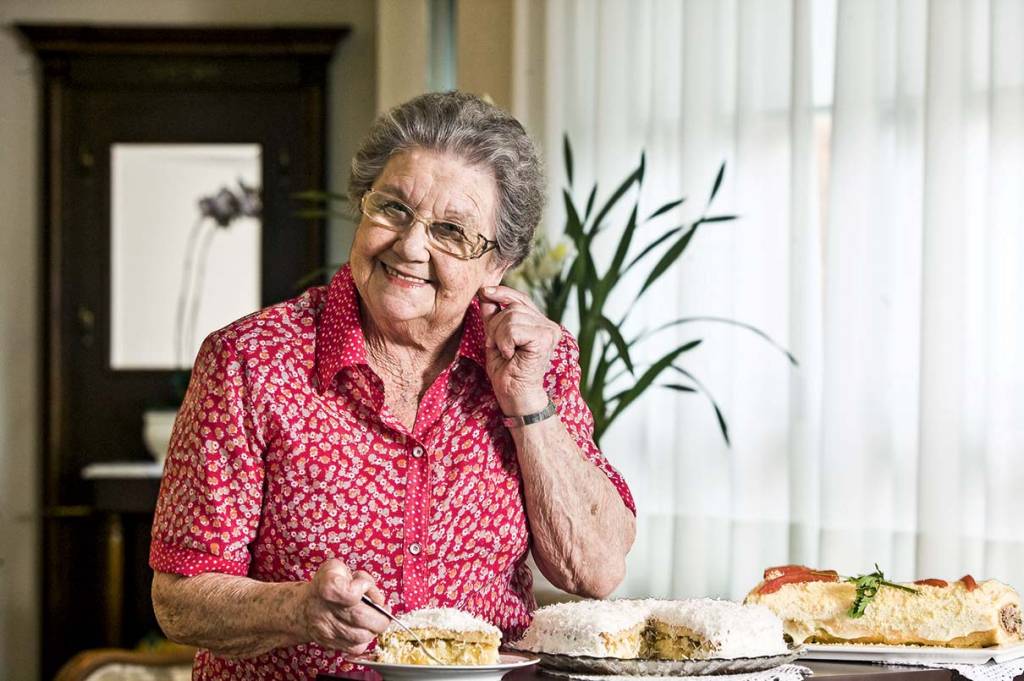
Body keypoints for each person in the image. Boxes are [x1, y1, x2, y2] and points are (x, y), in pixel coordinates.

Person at [150, 91, 636, 680]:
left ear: (498, 265)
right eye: (393, 209)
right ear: (363, 206)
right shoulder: (251, 361)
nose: (409, 247)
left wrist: (528, 401)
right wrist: (296, 609)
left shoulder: (532, 363)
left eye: (452, 231)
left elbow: (597, 569)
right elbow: (178, 596)